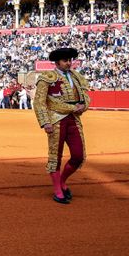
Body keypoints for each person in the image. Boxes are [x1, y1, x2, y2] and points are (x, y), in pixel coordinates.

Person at [33, 47, 90, 204]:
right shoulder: (47, 77)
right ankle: (58, 190)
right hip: (56, 120)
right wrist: (45, 122)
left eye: (70, 60)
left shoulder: (76, 77)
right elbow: (39, 102)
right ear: (57, 62)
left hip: (73, 119)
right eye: (65, 61)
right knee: (55, 156)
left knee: (78, 156)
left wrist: (83, 106)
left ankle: (62, 181)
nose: (69, 63)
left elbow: (85, 97)